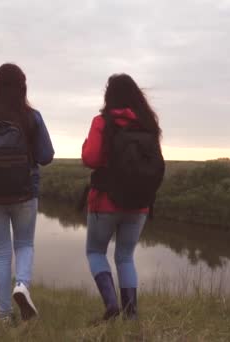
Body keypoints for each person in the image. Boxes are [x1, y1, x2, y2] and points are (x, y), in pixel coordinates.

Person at [0, 63, 54, 323]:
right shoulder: (32, 117)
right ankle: (22, 285)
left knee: (1, 253)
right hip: (25, 195)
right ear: (22, 87)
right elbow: (46, 156)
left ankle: (4, 317)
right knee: (24, 244)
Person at [81, 74, 164, 321]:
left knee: (96, 252)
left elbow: (91, 159)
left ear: (109, 95)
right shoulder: (149, 124)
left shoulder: (102, 121)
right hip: (139, 203)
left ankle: (111, 304)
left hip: (105, 202)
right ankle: (131, 315)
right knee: (125, 256)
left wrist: (86, 145)